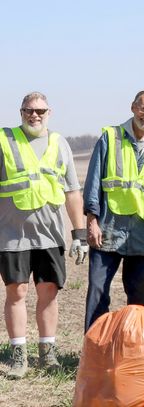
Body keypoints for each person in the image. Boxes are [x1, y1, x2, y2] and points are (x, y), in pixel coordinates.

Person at [0, 92, 87, 379]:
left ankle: (47, 353)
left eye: (40, 111)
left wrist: (79, 234)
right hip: (12, 235)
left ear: (49, 112)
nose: (34, 115)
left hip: (50, 235)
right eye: (29, 110)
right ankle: (18, 355)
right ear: (20, 111)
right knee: (17, 292)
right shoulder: (4, 140)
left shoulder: (59, 143)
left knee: (48, 293)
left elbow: (72, 191)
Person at [83, 89, 144, 332]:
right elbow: (93, 181)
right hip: (108, 230)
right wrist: (92, 220)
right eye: (143, 108)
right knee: (98, 292)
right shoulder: (110, 138)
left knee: (141, 300)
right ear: (133, 107)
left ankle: (135, 352)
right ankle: (94, 353)